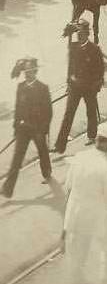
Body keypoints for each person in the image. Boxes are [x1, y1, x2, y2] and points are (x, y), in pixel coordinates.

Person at [62, 123, 107, 284]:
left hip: (75, 212)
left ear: (97, 139)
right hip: (97, 214)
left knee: (77, 258)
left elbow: (68, 186)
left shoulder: (79, 158)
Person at [2, 58, 53, 199]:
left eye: (30, 71)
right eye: (25, 71)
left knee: (42, 152)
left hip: (37, 129)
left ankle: (47, 171)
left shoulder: (43, 88)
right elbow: (18, 109)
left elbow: (48, 111)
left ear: (35, 71)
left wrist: (43, 129)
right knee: (17, 159)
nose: (27, 74)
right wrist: (16, 128)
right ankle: (8, 188)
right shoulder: (21, 87)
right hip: (23, 129)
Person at [53, 20, 105, 156]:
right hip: (75, 87)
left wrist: (96, 86)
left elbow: (100, 70)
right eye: (78, 34)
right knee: (68, 114)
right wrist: (69, 82)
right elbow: (70, 67)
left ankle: (92, 136)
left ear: (87, 34)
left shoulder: (94, 49)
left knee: (91, 111)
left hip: (89, 87)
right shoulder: (73, 47)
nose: (79, 36)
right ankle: (60, 145)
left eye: (82, 34)